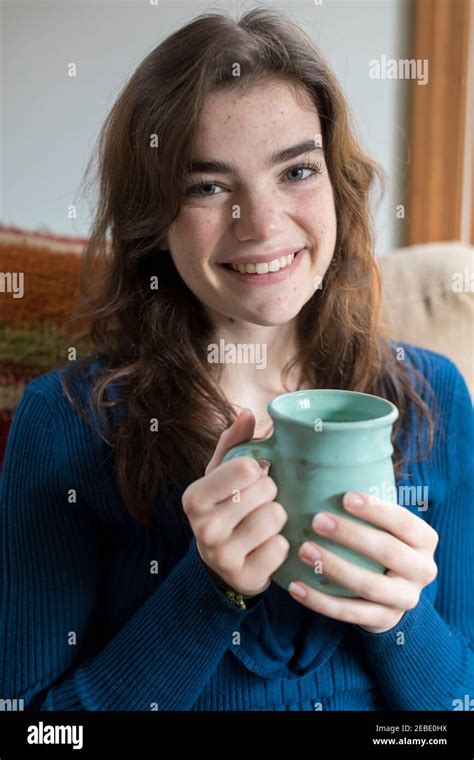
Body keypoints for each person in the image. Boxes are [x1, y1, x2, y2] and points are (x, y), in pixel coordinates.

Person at [1, 7, 473, 712]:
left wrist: (397, 616)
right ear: (153, 219)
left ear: (338, 185)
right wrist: (206, 591)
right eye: (208, 186)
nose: (263, 225)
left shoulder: (434, 394)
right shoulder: (65, 423)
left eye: (297, 171)